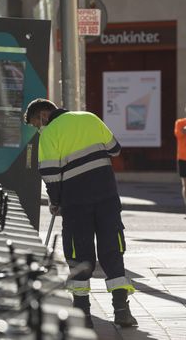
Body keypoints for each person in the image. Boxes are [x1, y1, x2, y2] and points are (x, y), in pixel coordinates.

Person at [24, 98, 137, 328]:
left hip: (76, 204)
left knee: (79, 255)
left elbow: (50, 174)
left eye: (36, 123)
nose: (38, 128)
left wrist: (55, 201)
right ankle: (122, 310)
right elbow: (115, 149)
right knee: (112, 251)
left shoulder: (49, 134)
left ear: (44, 115)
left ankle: (83, 314)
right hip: (107, 198)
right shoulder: (90, 117)